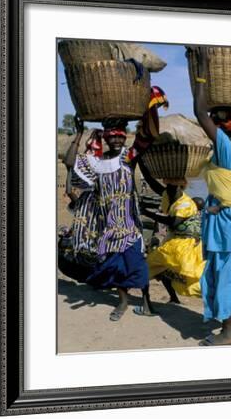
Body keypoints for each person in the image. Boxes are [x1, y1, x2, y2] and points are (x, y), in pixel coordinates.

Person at [58, 86, 169, 322]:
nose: (118, 138)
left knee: (138, 265)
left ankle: (147, 303)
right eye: (113, 135)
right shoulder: (96, 164)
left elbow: (148, 136)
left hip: (129, 225)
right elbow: (69, 162)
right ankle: (123, 302)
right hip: (107, 227)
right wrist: (79, 133)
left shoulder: (128, 158)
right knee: (114, 268)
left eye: (121, 135)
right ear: (106, 137)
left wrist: (150, 109)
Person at [192, 47, 231, 346]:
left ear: (219, 125)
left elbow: (198, 110)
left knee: (224, 272)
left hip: (226, 223)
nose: (210, 123)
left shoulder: (225, 147)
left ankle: (227, 333)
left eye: (214, 120)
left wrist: (202, 70)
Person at [138, 160, 206, 305]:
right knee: (159, 270)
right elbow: (151, 181)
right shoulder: (169, 194)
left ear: (181, 187)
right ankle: (172, 298)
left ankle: (146, 305)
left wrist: (147, 213)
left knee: (148, 268)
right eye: (168, 186)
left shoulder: (186, 204)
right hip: (175, 243)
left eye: (173, 187)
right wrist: (141, 162)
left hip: (183, 246)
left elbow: (172, 222)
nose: (169, 189)